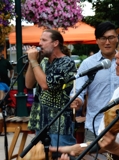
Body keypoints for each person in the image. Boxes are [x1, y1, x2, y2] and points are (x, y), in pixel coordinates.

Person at [69, 21, 119, 143]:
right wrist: (77, 100)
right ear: (96, 40)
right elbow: (78, 90)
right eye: (103, 38)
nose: (107, 42)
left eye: (111, 37)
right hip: (95, 126)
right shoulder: (88, 64)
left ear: (117, 39)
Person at [25, 29, 77, 159]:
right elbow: (28, 84)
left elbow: (46, 85)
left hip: (59, 124)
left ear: (55, 43)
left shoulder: (67, 63)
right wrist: (33, 62)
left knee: (64, 157)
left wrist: (34, 62)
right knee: (41, 157)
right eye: (40, 40)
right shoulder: (42, 62)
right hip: (41, 121)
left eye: (44, 40)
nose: (39, 43)